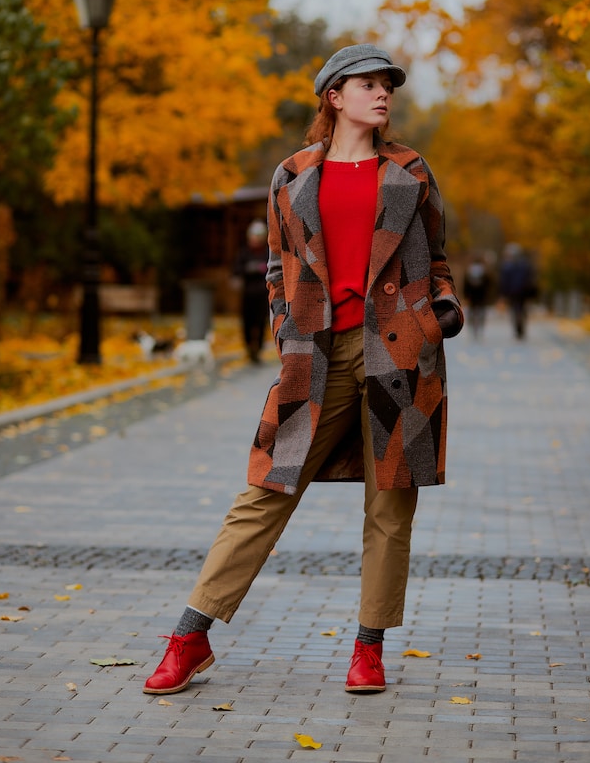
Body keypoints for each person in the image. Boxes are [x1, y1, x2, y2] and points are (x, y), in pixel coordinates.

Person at [143, 43, 464, 697]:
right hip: (314, 355)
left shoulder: (410, 171)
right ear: (334, 96)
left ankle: (368, 650)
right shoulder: (290, 176)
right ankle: (189, 635)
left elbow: (437, 261)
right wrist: (286, 327)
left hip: (400, 349)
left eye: (387, 87)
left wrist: (441, 313)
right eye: (368, 85)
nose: (382, 96)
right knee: (264, 490)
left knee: (389, 501)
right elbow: (275, 268)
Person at [233, 219, 269, 363]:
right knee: (247, 322)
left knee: (261, 322)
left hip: (262, 293)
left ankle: (258, 349)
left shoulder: (267, 252)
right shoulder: (244, 253)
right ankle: (249, 347)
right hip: (247, 294)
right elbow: (236, 270)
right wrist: (249, 269)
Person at [499, 242, 537, 339]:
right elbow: (531, 279)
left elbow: (504, 281)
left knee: (515, 309)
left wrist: (504, 293)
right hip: (523, 291)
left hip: (513, 292)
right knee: (522, 309)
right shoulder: (525, 264)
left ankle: (518, 326)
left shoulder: (507, 266)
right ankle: (521, 325)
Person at [463, 253, 492, 340]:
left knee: (472, 313)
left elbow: (466, 285)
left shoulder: (469, 271)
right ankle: (480, 328)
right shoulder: (484, 272)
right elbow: (489, 284)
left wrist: (466, 295)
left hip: (472, 296)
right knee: (481, 313)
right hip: (481, 296)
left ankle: (473, 329)